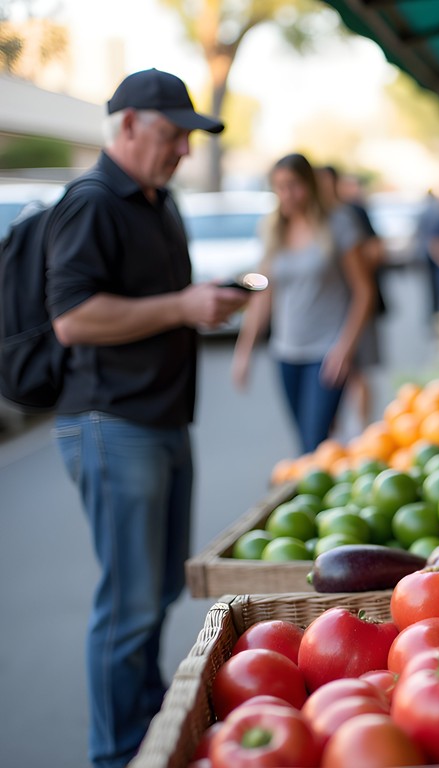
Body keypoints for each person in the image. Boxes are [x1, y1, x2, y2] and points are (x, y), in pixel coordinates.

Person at [45, 68, 248, 768]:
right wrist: (183, 307)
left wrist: (204, 302)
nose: (184, 151)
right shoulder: (93, 201)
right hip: (112, 425)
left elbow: (161, 304)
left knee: (157, 593)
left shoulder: (158, 202)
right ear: (127, 124)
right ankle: (117, 754)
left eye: (190, 139)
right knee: (129, 606)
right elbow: (72, 319)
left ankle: (143, 731)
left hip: (160, 422)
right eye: (173, 135)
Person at [233, 153, 373, 454]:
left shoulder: (338, 224)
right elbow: (263, 294)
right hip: (286, 351)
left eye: (294, 185)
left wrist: (345, 348)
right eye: (280, 187)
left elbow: (364, 292)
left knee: (314, 444)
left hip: (327, 352)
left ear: (309, 184)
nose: (288, 195)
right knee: (306, 443)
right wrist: (244, 351)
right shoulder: (273, 230)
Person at [317, 165, 384, 431]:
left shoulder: (351, 214)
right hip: (330, 313)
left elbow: (377, 250)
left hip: (357, 307)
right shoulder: (314, 219)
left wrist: (352, 261)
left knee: (359, 374)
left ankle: (363, 429)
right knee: (329, 379)